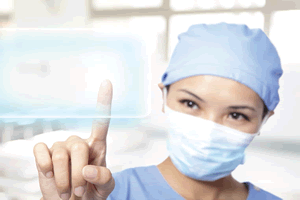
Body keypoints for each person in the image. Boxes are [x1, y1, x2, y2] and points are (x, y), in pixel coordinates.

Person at [33, 22, 283, 200]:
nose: (207, 130)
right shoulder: (107, 192)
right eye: (191, 104)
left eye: (237, 115)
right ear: (164, 97)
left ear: (264, 119)